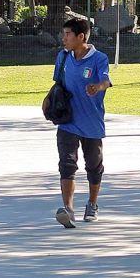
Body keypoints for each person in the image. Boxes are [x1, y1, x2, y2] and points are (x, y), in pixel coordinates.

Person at [52, 17, 112, 228]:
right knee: (67, 164)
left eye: (68, 34)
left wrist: (98, 87)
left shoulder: (99, 58)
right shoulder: (63, 57)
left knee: (94, 166)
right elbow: (58, 82)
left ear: (81, 36)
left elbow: (106, 80)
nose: (64, 38)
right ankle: (68, 209)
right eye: (64, 34)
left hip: (92, 122)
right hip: (67, 121)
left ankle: (92, 204)